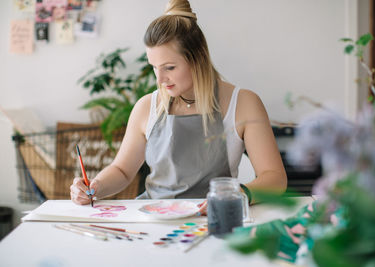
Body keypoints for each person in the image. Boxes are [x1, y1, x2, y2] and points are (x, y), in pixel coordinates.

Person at [70, 0, 287, 211]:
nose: (160, 79)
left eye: (170, 67)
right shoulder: (147, 107)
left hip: (214, 218)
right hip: (155, 218)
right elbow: (122, 170)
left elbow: (275, 178)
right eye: (154, 68)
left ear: (198, 58)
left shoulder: (244, 103)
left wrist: (240, 194)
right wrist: (94, 186)